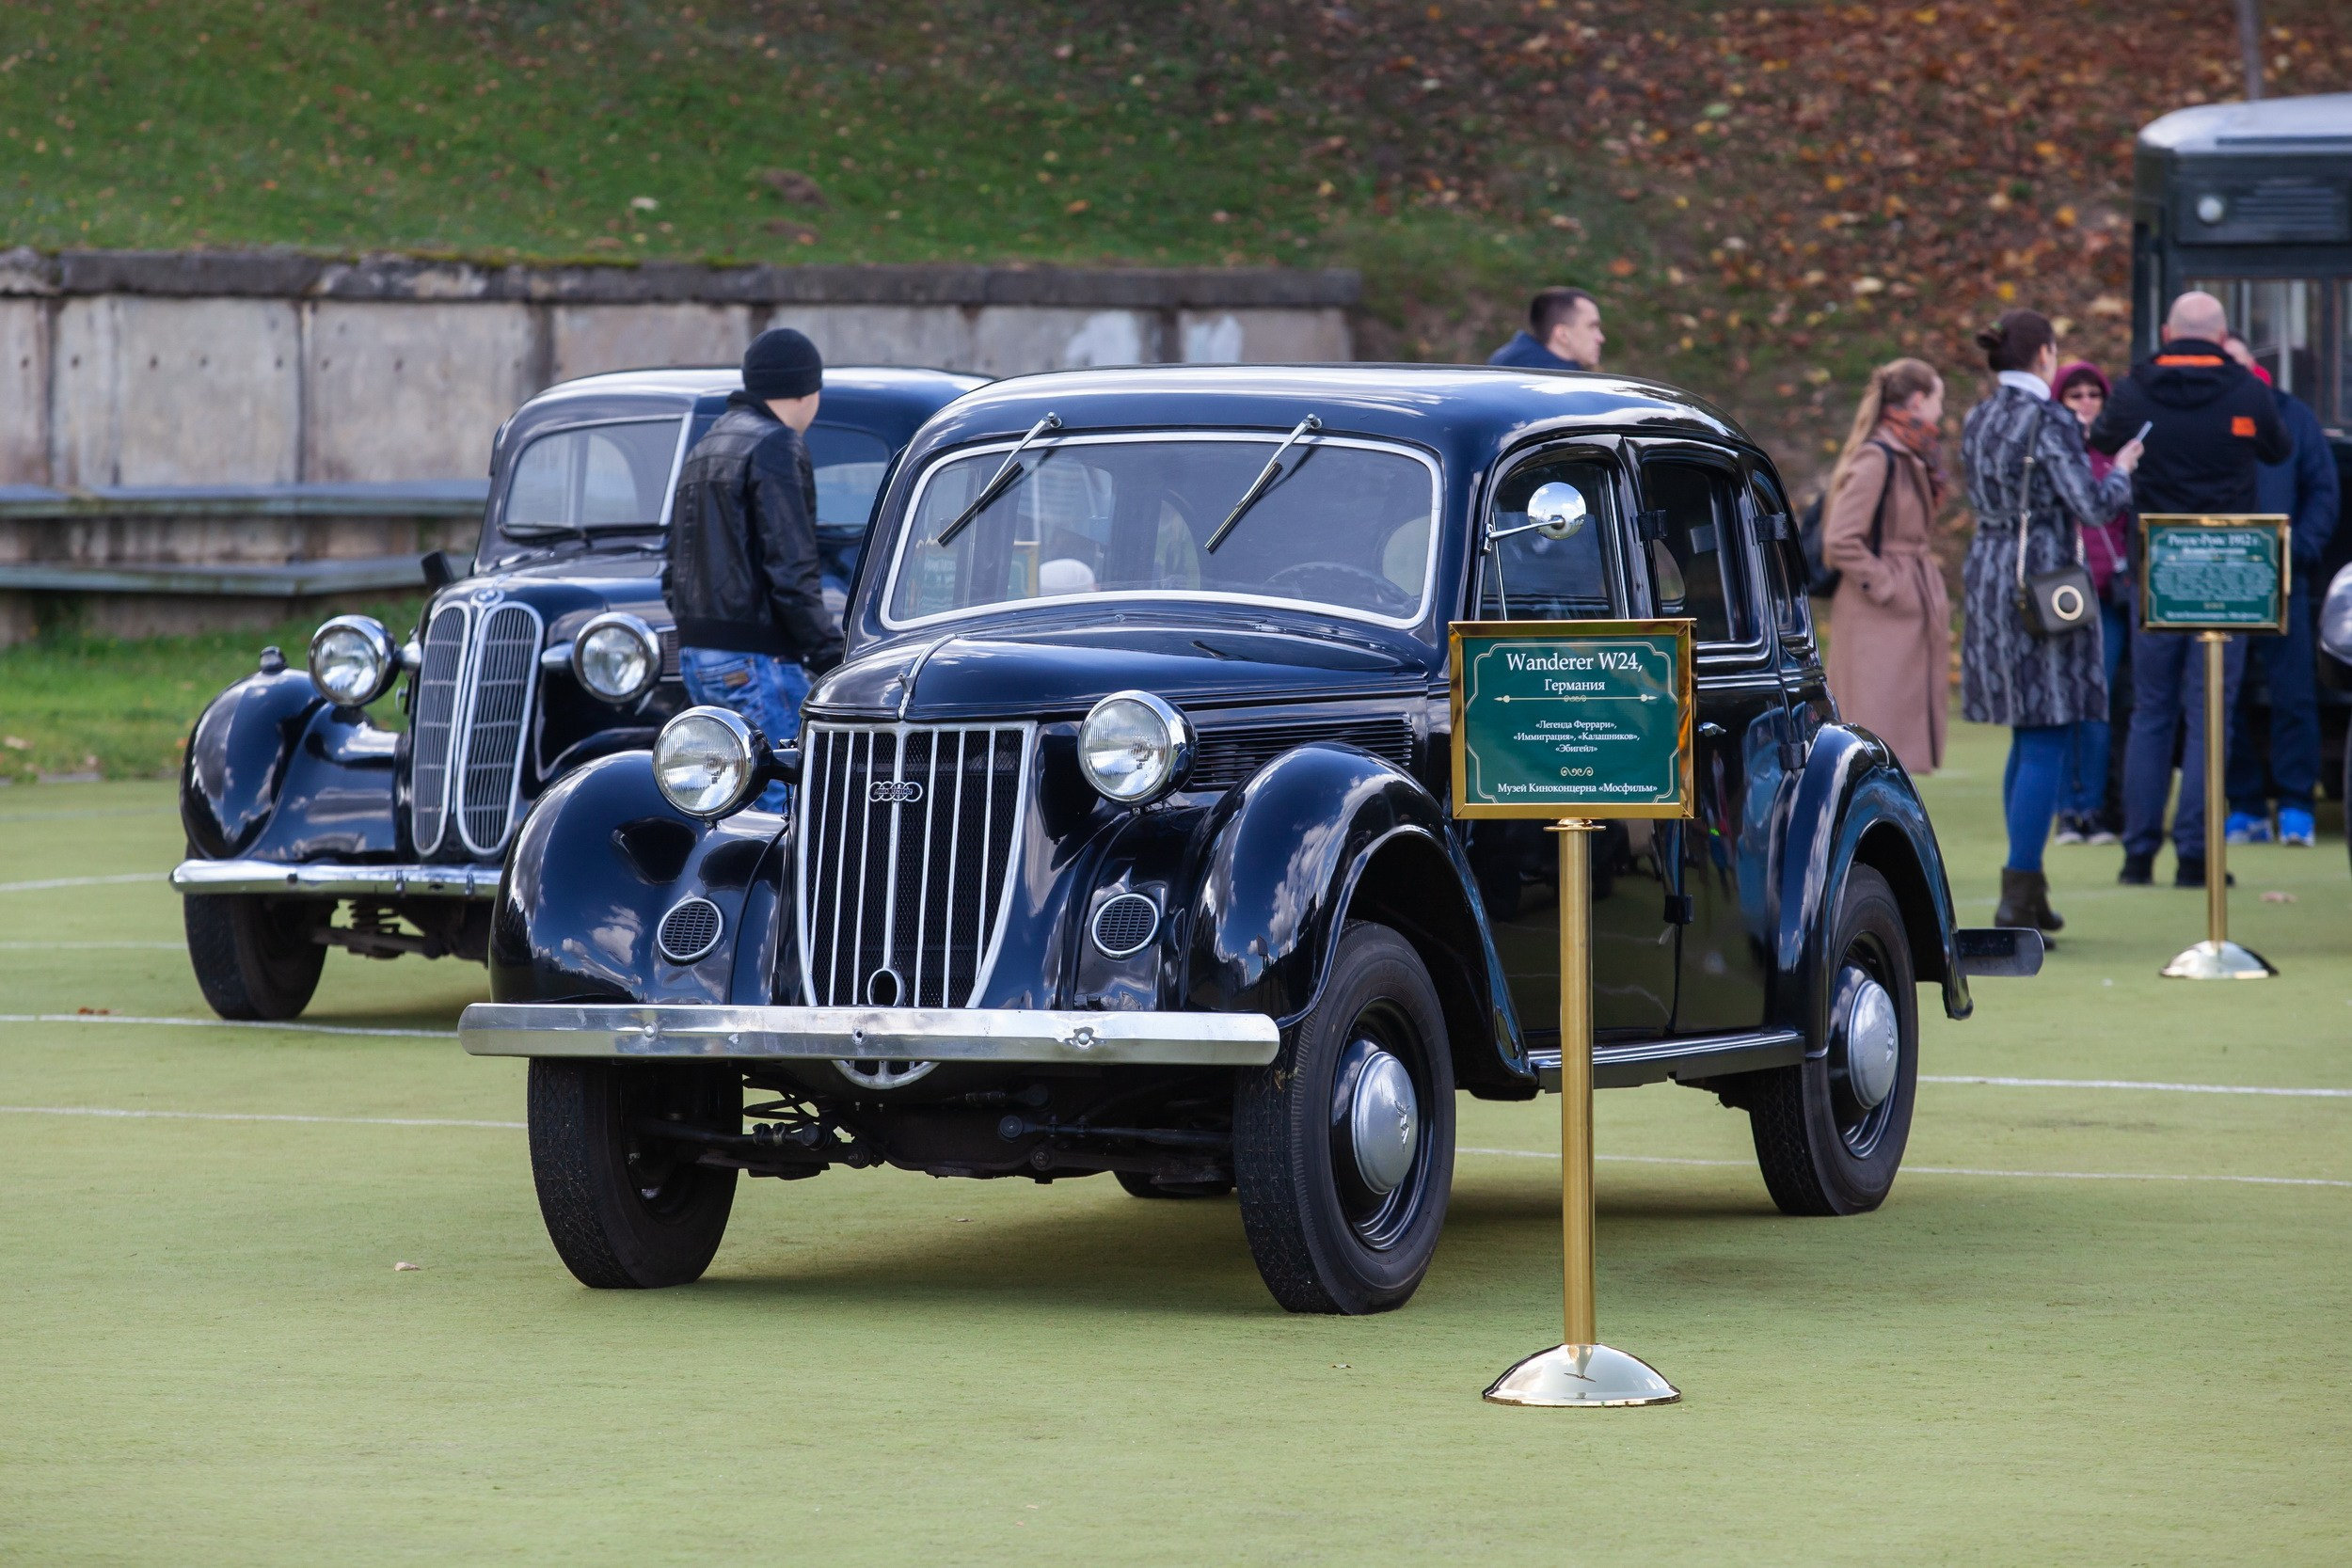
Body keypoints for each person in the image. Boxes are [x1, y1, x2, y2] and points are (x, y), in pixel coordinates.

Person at [2090, 291, 2291, 886]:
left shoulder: (2134, 388)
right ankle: (2197, 855)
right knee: (2212, 712)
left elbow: (2102, 442)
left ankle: (2137, 853)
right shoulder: (2248, 390)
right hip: (2231, 569)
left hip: (2160, 563)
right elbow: (2278, 449)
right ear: (2224, 331)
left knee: (2152, 709)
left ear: (2167, 330)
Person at [1959, 309, 2140, 935]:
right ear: (2045, 356)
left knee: (2023, 729)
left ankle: (2028, 887)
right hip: (2043, 583)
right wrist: (2122, 470)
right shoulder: (2049, 418)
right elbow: (2090, 505)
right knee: (2048, 732)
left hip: (1987, 572)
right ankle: (2017, 890)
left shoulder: (1977, 416)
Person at [664, 326, 845, 811]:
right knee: (791, 809)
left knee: (728, 807)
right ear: (809, 391)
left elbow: (671, 566)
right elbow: (792, 570)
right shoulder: (776, 445)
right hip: (758, 661)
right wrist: (831, 655)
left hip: (699, 657)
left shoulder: (709, 443)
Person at [2219, 333, 2340, 847]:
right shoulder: (2207, 419)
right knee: (2226, 697)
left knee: (2294, 695)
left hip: (2283, 582)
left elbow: (2321, 491)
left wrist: (2298, 550)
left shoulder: (2294, 416)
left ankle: (2296, 805)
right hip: (2218, 583)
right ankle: (2245, 805)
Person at [1821, 357, 1951, 775]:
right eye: (1938, 400)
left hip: (1899, 611)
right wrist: (1887, 586)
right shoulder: (1880, 455)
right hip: (1878, 616)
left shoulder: (1908, 452)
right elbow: (1841, 538)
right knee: (1873, 747)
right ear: (1918, 400)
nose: (1941, 412)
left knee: (1892, 751)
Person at [2050, 360, 2133, 846]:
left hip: (2105, 599)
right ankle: (2065, 809)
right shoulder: (2052, 455)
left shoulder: (2111, 457)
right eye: (2074, 395)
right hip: (2061, 597)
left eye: (2093, 395)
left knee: (2098, 705)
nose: (2084, 403)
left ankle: (2095, 808)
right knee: (2063, 703)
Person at [1488, 287, 1604, 372]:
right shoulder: (1560, 388)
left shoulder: (1502, 366)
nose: (1600, 338)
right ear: (1562, 334)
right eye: (1592, 327)